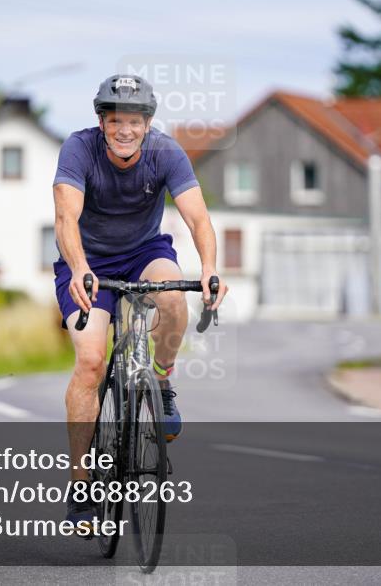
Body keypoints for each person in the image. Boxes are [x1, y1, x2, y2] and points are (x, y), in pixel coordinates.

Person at [52, 74, 228, 529]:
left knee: (173, 298)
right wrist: (78, 267)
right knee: (91, 363)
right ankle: (80, 482)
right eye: (115, 120)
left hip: (144, 255)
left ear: (147, 123)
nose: (125, 129)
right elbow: (65, 216)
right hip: (86, 264)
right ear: (101, 121)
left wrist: (209, 268)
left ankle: (162, 381)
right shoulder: (78, 148)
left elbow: (197, 216)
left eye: (134, 120)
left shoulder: (166, 152)